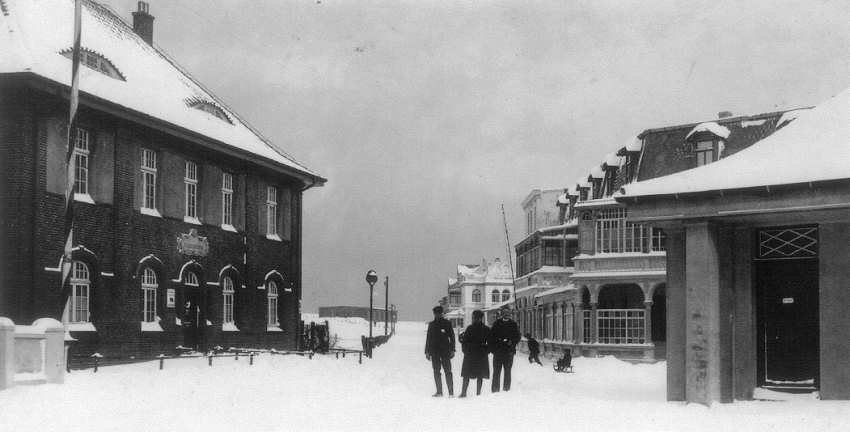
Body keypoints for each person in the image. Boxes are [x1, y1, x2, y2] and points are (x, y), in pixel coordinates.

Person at [425, 305, 456, 397]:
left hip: (445, 351)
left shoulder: (447, 323)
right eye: (436, 313)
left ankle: (451, 392)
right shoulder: (431, 325)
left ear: (442, 313)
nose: (437, 315)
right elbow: (428, 338)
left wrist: (452, 349)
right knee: (436, 371)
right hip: (434, 352)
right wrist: (427, 351)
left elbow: (452, 337)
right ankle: (439, 392)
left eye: (439, 313)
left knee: (448, 371)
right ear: (434, 314)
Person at [488, 306, 520, 392]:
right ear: (502, 314)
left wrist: (512, 342)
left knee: (507, 371)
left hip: (509, 352)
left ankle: (506, 389)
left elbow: (517, 337)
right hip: (498, 352)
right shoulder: (496, 323)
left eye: (508, 312)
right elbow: (491, 337)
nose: (506, 314)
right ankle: (495, 390)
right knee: (496, 372)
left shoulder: (513, 324)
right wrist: (494, 349)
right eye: (504, 312)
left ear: (510, 314)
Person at [458, 309, 489, 398]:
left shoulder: (486, 329)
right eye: (474, 318)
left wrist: (485, 351)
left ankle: (478, 393)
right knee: (466, 375)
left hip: (480, 355)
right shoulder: (469, 328)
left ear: (480, 318)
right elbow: (464, 342)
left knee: (480, 375)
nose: (475, 319)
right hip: (470, 355)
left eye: (476, 318)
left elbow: (490, 343)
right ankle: (464, 393)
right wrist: (466, 351)